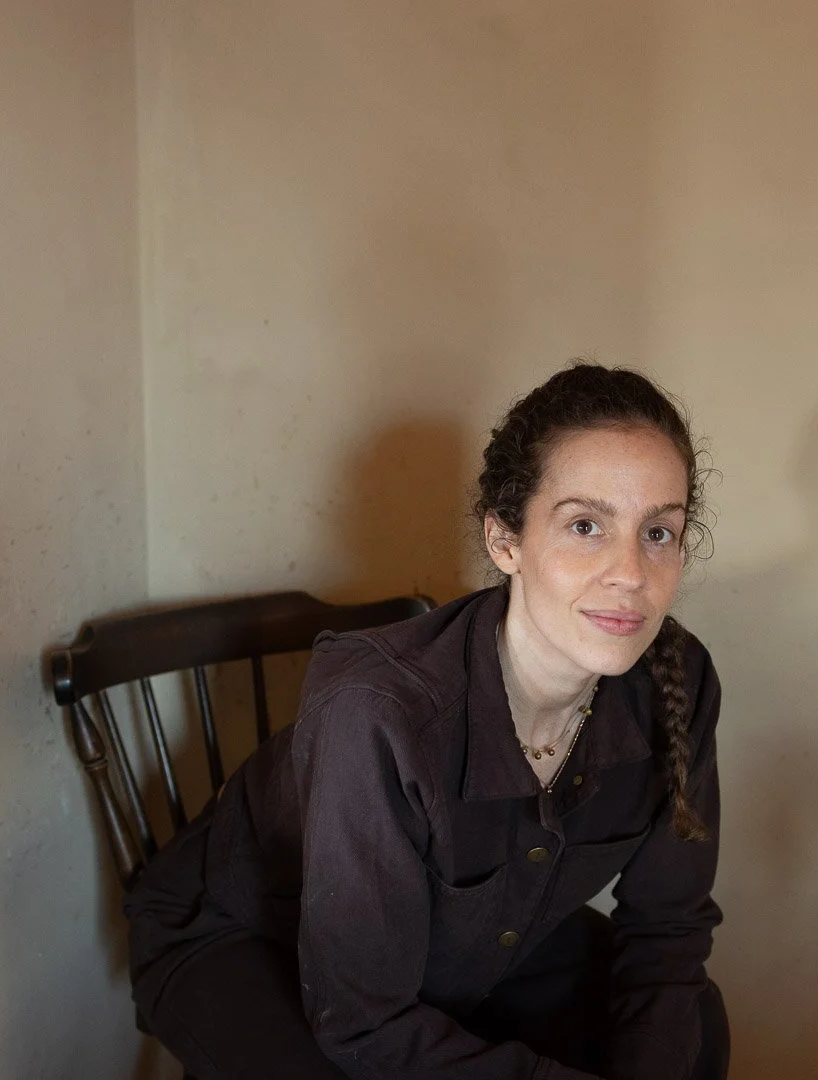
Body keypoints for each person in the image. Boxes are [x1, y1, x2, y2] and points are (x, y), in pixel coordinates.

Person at [125, 363, 730, 1080]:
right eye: (586, 525)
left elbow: (665, 933)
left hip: (472, 940)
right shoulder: (381, 713)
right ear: (506, 541)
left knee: (692, 1026)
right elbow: (365, 1021)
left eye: (658, 532)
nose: (630, 571)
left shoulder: (676, 681)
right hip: (250, 936)